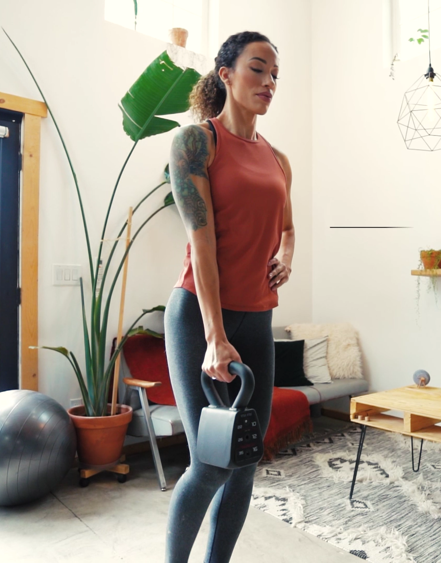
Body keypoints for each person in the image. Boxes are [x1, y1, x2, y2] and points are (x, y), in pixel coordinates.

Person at [163, 30, 294, 563]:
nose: (269, 83)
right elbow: (203, 245)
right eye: (258, 69)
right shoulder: (198, 142)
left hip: (258, 320)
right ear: (226, 74)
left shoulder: (279, 159)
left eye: (275, 76)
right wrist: (215, 337)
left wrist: (288, 252)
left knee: (245, 462)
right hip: (199, 318)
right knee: (210, 462)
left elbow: (288, 226)